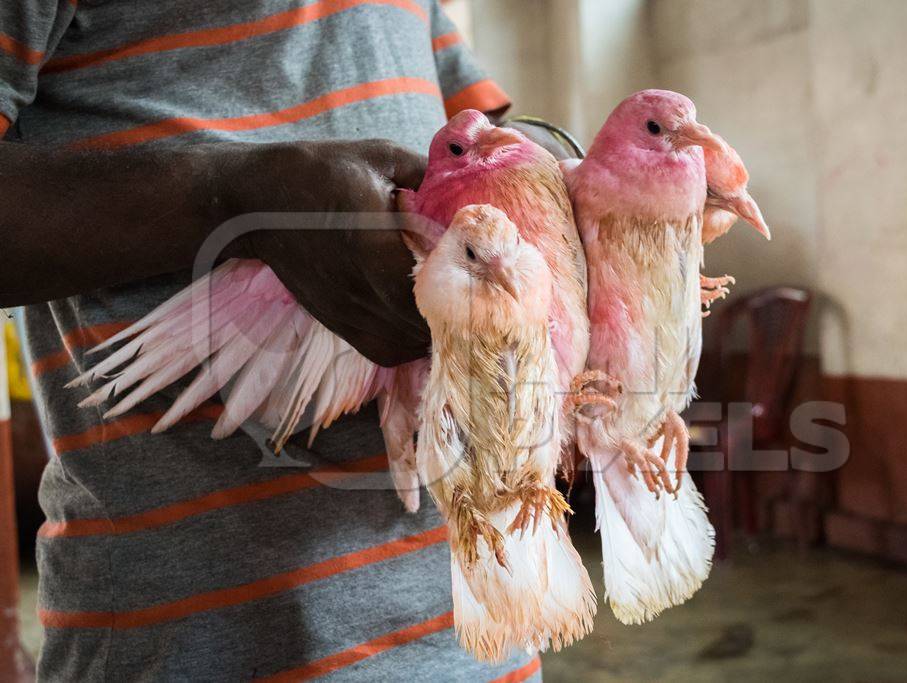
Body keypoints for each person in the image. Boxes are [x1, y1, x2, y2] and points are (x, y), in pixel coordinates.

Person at [0, 1, 564, 679]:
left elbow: (479, 138)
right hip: (206, 647)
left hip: (483, 633)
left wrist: (575, 175)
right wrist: (240, 200)